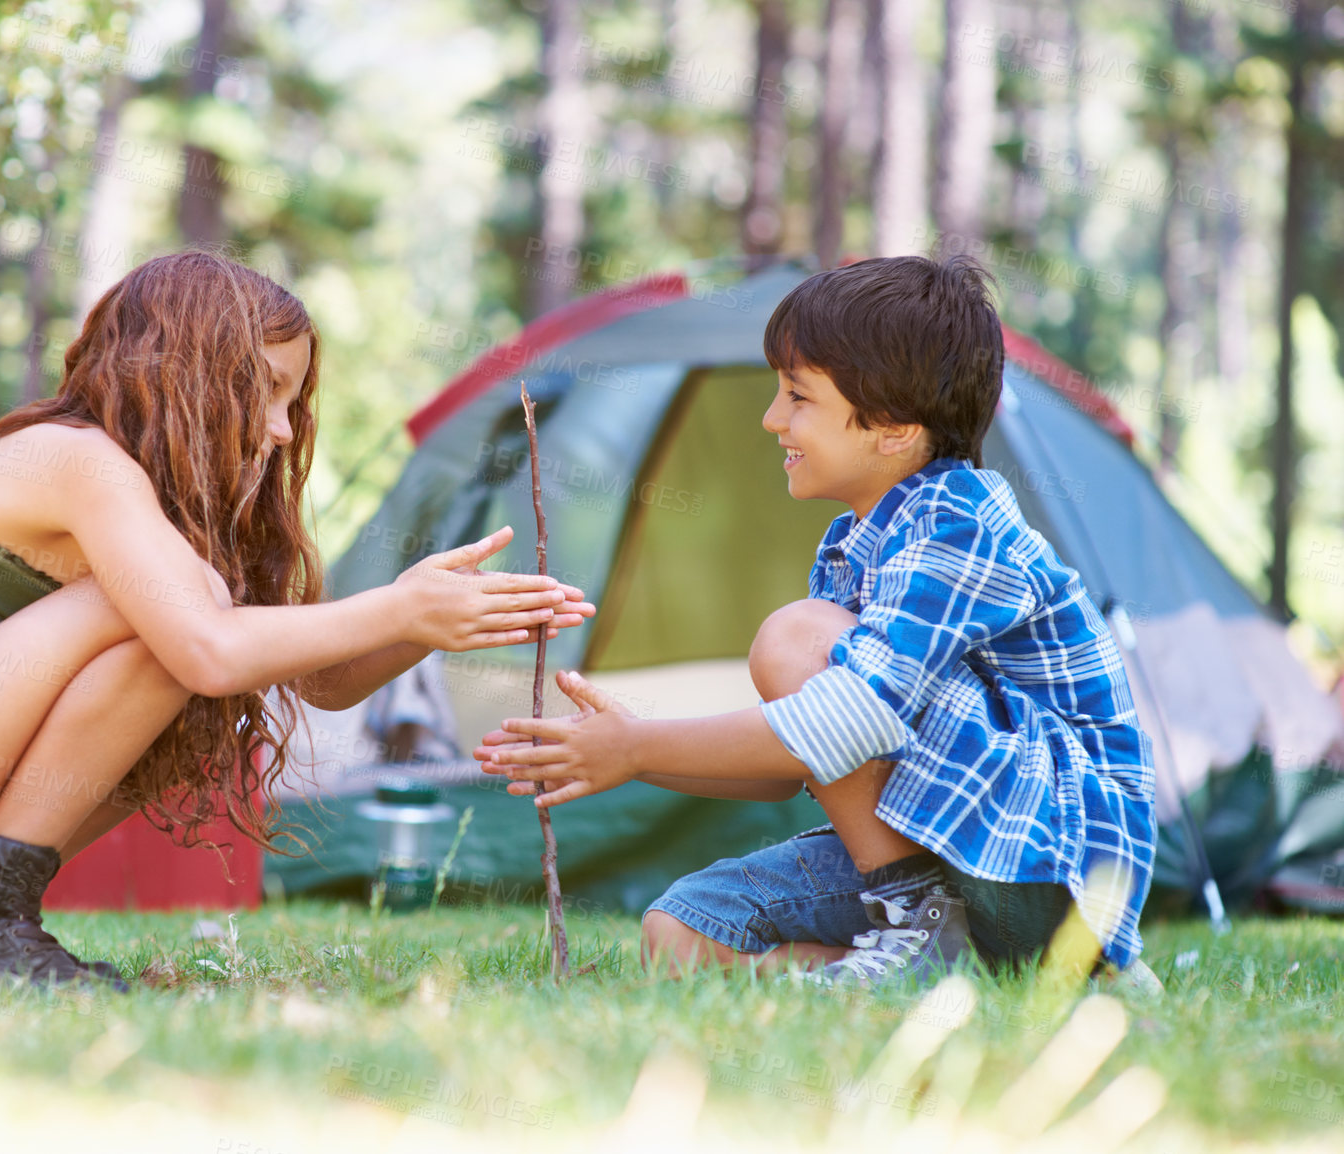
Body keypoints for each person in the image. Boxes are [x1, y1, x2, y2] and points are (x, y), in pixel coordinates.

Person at [0, 251, 594, 992]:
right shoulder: (78, 462)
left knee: (202, 633)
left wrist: (424, 620)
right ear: (185, 370)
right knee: (190, 631)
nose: (276, 429)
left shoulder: (144, 500)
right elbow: (210, 652)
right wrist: (395, 606)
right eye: (263, 390)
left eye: (290, 404)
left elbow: (311, 677)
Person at [476, 254, 1157, 987]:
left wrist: (639, 746)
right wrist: (614, 752)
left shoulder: (961, 525)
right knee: (678, 934)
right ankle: (946, 967)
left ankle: (930, 924)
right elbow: (796, 764)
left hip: (1047, 861)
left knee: (796, 638)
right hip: (951, 844)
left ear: (893, 426)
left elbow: (850, 720)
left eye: (798, 397)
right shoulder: (854, 545)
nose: (772, 419)